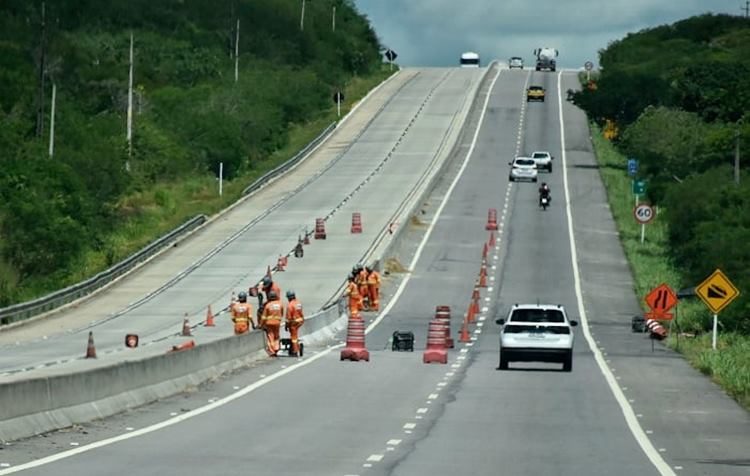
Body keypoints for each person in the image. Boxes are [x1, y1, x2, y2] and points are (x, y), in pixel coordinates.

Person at [259, 290, 283, 356]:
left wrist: (260, 325)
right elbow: (282, 313)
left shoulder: (268, 305)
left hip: (269, 323)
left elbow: (263, 317)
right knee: (277, 336)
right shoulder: (280, 304)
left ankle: (272, 351)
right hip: (277, 322)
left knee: (270, 336)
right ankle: (277, 348)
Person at [284, 290, 304, 357]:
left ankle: (295, 351)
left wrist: (286, 326)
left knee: (294, 338)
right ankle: (296, 347)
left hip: (294, 323)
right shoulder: (298, 303)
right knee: (294, 335)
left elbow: (288, 318)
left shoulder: (290, 305)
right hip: (300, 320)